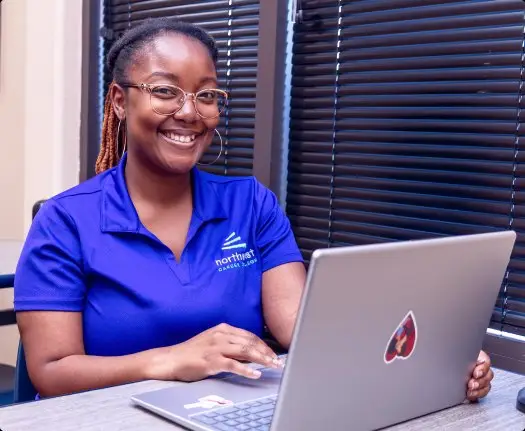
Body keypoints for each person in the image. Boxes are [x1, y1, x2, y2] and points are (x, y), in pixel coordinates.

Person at [13, 18, 493, 402]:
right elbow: (51, 373)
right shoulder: (65, 221)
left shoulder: (251, 204)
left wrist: (435, 361)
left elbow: (304, 332)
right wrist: (168, 360)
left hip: (224, 413)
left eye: (206, 95)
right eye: (165, 91)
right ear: (119, 100)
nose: (189, 111)